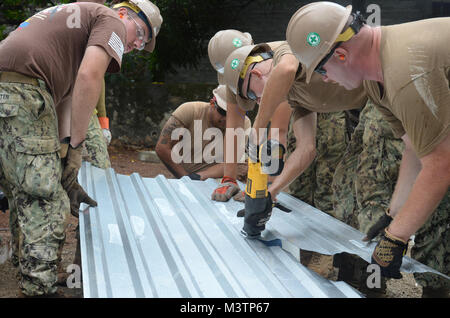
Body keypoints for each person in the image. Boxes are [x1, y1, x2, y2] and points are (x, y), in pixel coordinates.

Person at [286, 1, 449, 297]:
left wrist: (396, 239)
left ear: (342, 54)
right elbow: (414, 147)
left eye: (322, 69)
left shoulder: (403, 72)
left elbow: (440, 163)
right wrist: (392, 215)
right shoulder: (377, 81)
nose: (325, 79)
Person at [0, 0, 162, 297]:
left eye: (143, 44)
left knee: (20, 186)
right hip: (22, 93)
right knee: (47, 198)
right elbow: (90, 77)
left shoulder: (70, 32)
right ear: (124, 13)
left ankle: (27, 263)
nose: (136, 45)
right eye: (140, 33)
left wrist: (63, 149)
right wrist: (77, 145)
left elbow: (63, 97)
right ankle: (39, 288)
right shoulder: (110, 19)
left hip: (16, 91)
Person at [156, 84, 251, 181]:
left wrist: (197, 177)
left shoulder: (244, 123)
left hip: (216, 179)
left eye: (234, 115)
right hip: (184, 177)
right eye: (223, 112)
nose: (227, 119)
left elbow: (232, 163)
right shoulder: (190, 111)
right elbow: (162, 147)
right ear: (212, 103)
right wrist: (186, 179)